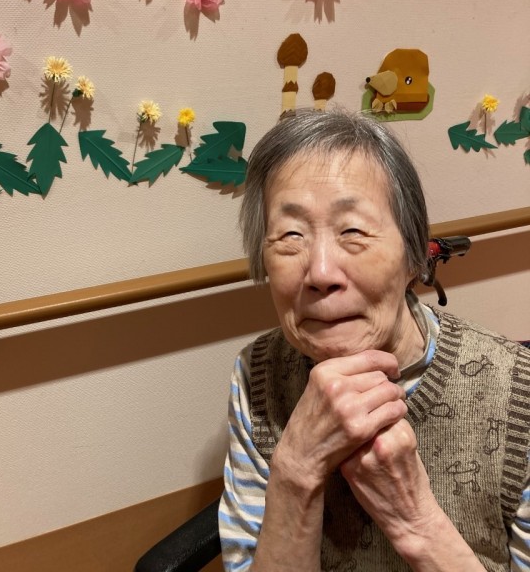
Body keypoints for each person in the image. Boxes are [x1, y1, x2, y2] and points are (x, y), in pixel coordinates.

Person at [219, 109, 530, 571]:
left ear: (414, 256)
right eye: (290, 236)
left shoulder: (517, 390)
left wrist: (416, 523)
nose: (321, 272)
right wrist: (297, 471)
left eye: (353, 231)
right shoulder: (258, 375)